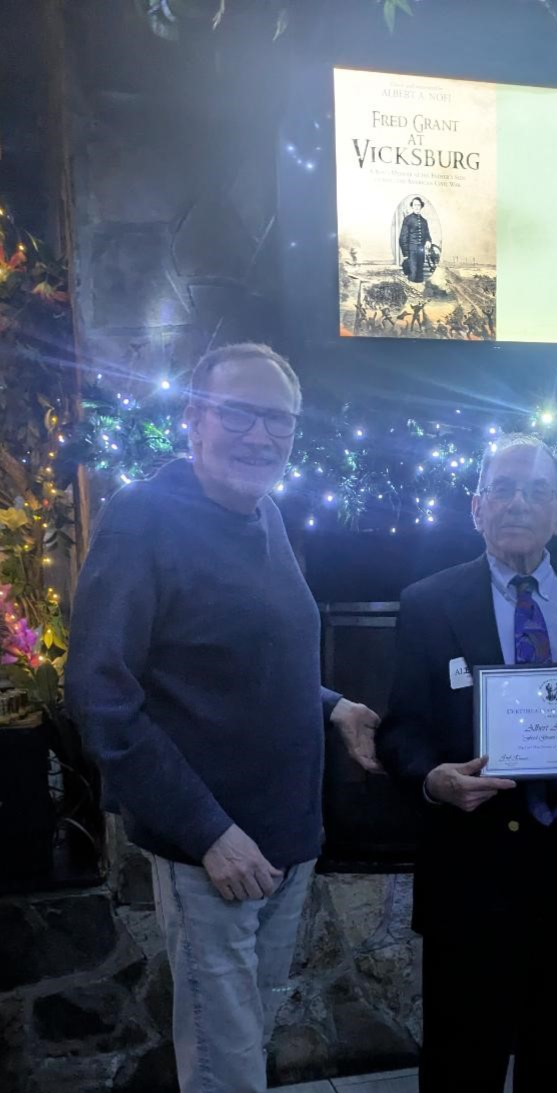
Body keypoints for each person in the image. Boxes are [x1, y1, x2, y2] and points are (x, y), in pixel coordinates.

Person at [65, 343, 381, 1093]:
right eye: (238, 414)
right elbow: (100, 693)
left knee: (242, 1048)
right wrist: (207, 832)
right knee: (226, 1069)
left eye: (279, 419)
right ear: (194, 418)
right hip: (214, 850)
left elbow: (249, 660)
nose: (261, 436)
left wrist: (334, 706)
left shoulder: (265, 512)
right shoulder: (143, 517)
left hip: (284, 843)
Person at [377, 434, 557, 1093]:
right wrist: (432, 780)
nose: (518, 504)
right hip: (470, 873)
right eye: (503, 489)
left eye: (537, 491)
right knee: (459, 1066)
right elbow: (402, 729)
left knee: (551, 1059)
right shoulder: (428, 602)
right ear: (476, 507)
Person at [399, 195, 432, 284]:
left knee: (420, 274)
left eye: (418, 205)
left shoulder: (424, 221)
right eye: (415, 205)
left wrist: (428, 241)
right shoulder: (408, 219)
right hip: (411, 252)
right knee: (412, 274)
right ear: (412, 206)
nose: (417, 207)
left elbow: (427, 235)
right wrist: (406, 254)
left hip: (421, 252)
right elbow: (402, 238)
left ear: (421, 206)